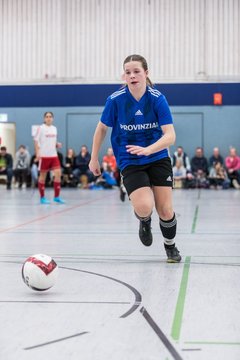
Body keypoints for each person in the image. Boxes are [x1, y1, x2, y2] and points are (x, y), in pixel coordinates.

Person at [89, 54, 181, 263]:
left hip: (157, 157)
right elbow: (102, 128)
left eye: (136, 71)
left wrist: (149, 149)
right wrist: (94, 158)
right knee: (144, 207)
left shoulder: (157, 98)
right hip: (130, 159)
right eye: (128, 72)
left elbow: (170, 135)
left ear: (146, 73)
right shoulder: (115, 100)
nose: (132, 75)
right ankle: (144, 220)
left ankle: (170, 246)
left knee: (165, 210)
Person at [34, 111, 65, 204]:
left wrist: (57, 144)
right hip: (44, 156)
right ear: (44, 118)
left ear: (52, 118)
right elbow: (36, 141)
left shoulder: (54, 128)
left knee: (58, 174)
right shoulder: (41, 128)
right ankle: (42, 197)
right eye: (47, 116)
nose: (48, 118)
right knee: (43, 176)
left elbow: (51, 142)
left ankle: (57, 197)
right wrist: (37, 153)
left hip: (53, 155)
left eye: (50, 116)